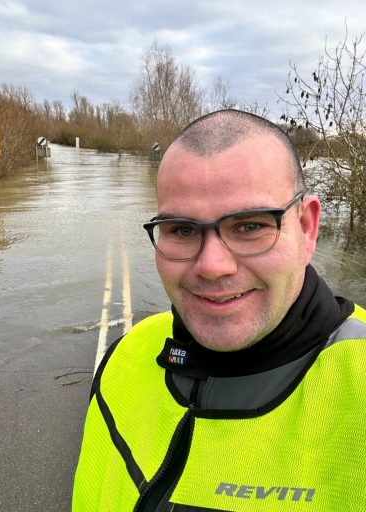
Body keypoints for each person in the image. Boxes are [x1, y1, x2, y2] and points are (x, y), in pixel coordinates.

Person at [72, 109, 366, 511]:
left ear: (307, 228)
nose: (212, 266)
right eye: (182, 229)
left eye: (249, 226)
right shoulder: (126, 357)